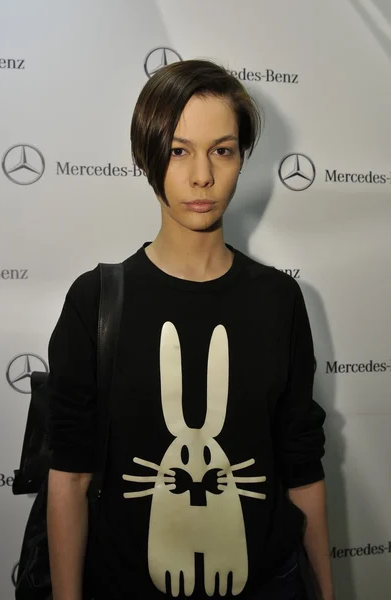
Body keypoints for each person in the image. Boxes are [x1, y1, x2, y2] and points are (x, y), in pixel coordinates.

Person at [46, 59, 334, 600]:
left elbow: (302, 464)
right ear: (146, 156)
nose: (201, 175)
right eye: (179, 151)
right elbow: (70, 475)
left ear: (242, 157)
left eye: (221, 150)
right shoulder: (96, 300)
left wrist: (327, 592)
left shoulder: (279, 299)